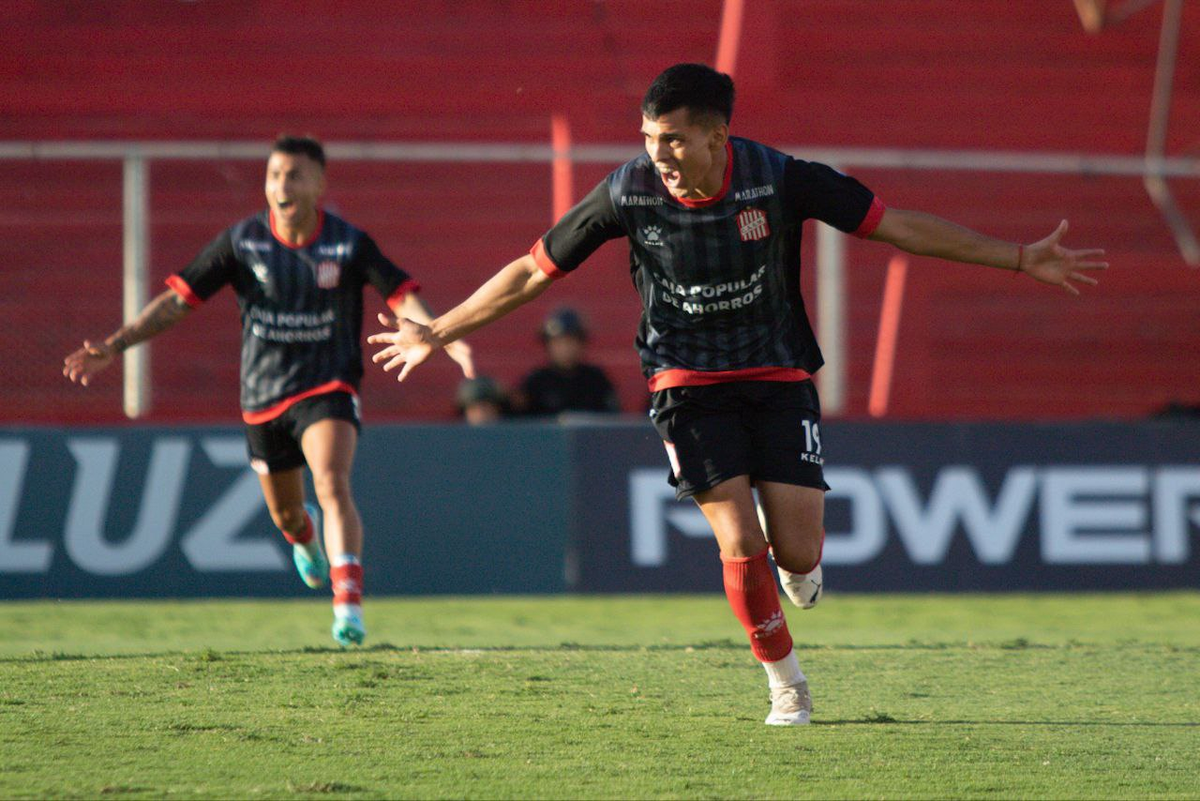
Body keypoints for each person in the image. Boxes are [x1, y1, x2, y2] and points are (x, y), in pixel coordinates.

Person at [367, 64, 1106, 724]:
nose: (661, 156)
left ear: (719, 134)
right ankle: (786, 682)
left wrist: (1016, 258)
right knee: (738, 540)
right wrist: (440, 329)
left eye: (676, 141)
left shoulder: (781, 178)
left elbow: (898, 227)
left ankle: (799, 567)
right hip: (685, 383)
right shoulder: (626, 190)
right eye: (652, 139)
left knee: (797, 548)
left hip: (778, 373)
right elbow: (533, 271)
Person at [63, 134, 474, 647]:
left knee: (331, 481)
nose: (282, 184)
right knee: (288, 514)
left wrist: (437, 334)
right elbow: (177, 301)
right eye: (275, 175)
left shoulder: (348, 244)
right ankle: (303, 540)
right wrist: (116, 345)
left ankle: (348, 607)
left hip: (328, 385)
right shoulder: (242, 242)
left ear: (319, 184)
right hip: (263, 396)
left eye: (295, 175)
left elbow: (401, 294)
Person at [515, 307, 620, 417]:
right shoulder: (536, 382)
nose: (565, 348)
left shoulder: (596, 380)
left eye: (570, 341)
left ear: (581, 343)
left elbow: (612, 419)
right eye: (558, 343)